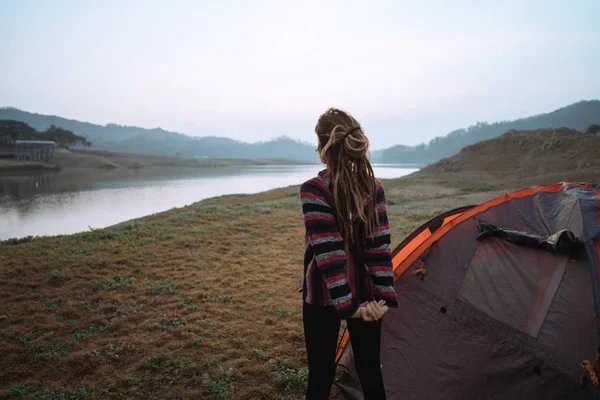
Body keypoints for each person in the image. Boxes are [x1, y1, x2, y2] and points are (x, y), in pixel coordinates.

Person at [299, 108, 398, 399]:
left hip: (321, 295)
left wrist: (357, 305)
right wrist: (379, 300)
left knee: (320, 375)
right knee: (370, 372)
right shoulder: (373, 186)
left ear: (322, 147)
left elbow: (328, 259)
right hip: (365, 297)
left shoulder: (314, 189)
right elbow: (379, 249)